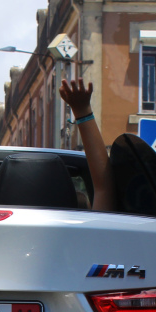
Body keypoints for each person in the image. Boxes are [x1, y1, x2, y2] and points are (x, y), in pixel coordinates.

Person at [57, 78, 116, 212]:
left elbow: (104, 188)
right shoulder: (93, 230)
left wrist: (82, 111)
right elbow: (104, 188)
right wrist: (82, 111)